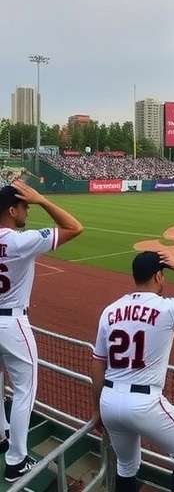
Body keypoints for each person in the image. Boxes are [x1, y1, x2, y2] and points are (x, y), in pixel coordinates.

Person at [90, 251, 174, 492]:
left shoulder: (110, 311)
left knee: (126, 465)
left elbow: (97, 363)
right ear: (159, 277)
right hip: (144, 402)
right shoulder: (167, 308)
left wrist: (97, 408)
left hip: (109, 400)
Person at [0, 181, 83, 481]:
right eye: (25, 206)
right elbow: (74, 227)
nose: (28, 210)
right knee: (24, 390)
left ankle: (1, 434)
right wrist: (44, 199)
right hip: (13, 322)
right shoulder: (21, 241)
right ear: (12, 209)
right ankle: (16, 462)